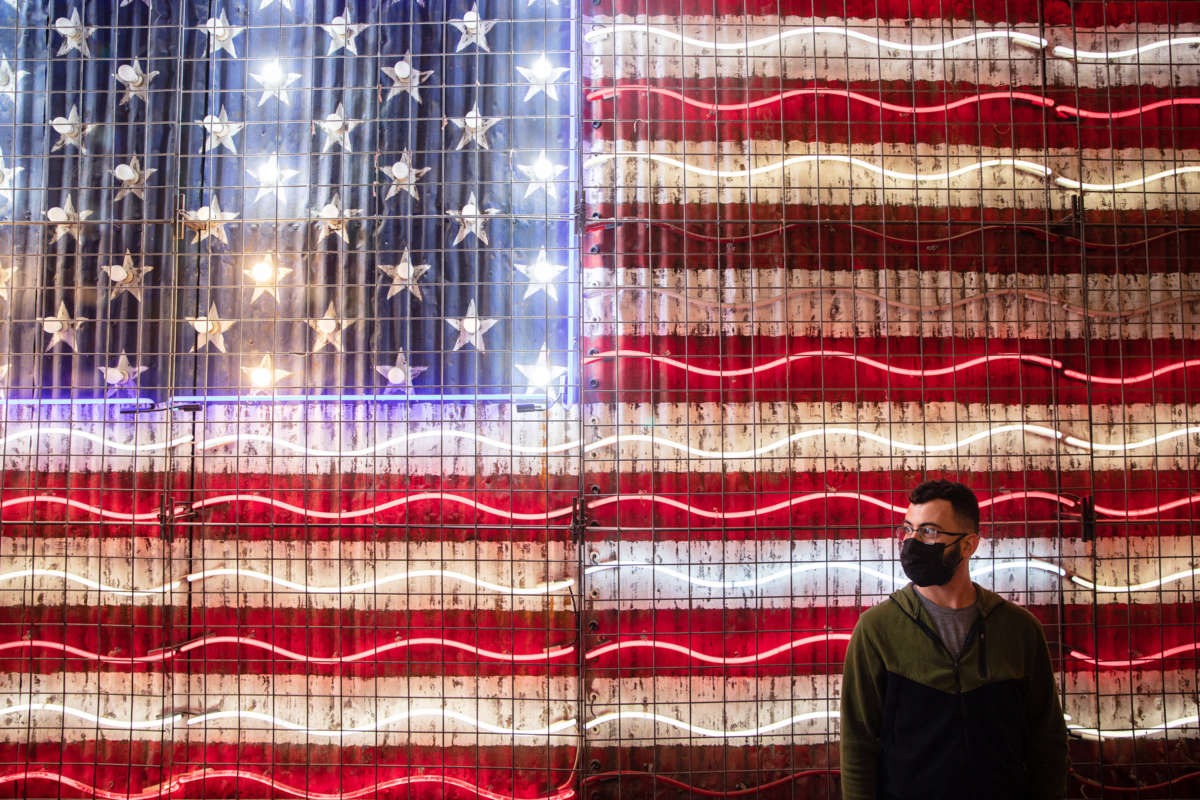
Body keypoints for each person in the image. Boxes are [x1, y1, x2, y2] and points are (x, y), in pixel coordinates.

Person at [838, 479, 1068, 800]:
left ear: (968, 545)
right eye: (908, 529)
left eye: (929, 531)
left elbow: (1048, 741)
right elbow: (858, 744)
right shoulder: (876, 630)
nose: (912, 542)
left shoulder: (1019, 630)